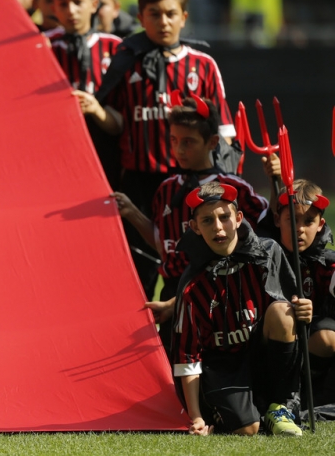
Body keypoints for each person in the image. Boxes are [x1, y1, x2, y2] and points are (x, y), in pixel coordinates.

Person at [79, 0, 236, 298]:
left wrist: (219, 178)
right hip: (138, 182)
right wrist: (96, 110)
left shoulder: (203, 65)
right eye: (154, 14)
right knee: (138, 272)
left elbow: (224, 132)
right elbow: (117, 124)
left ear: (184, 17)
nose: (163, 21)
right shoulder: (125, 62)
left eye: (170, 14)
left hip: (188, 183)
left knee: (194, 266)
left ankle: (189, 326)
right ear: (141, 18)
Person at [115, 93, 269, 351]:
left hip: (219, 292)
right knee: (173, 365)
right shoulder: (166, 189)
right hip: (171, 291)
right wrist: (132, 212)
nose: (179, 150)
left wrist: (276, 181)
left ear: (212, 142)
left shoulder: (233, 188)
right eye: (174, 141)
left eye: (188, 142)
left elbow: (268, 232)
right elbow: (164, 246)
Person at [172, 181, 311, 436]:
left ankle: (281, 407)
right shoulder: (192, 285)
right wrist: (196, 416)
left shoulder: (268, 253)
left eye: (224, 217)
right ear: (195, 227)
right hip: (223, 367)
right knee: (248, 429)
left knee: (283, 312)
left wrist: (304, 310)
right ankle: (246, 413)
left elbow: (292, 309)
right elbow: (187, 356)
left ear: (238, 219)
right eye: (207, 221)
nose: (218, 227)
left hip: (262, 355)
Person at [49, 0, 121, 188]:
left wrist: (96, 110)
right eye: (63, 3)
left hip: (106, 152)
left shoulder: (116, 48)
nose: (71, 10)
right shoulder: (43, 47)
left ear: (93, 4)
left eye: (78, 2)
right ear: (54, 8)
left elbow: (123, 122)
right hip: (56, 152)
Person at [273, 181, 335, 406]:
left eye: (308, 221)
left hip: (314, 345)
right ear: (277, 220)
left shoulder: (329, 264)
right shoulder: (264, 259)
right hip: (272, 348)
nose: (299, 228)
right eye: (292, 219)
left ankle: (317, 394)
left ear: (320, 225)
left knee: (327, 337)